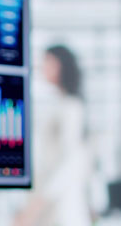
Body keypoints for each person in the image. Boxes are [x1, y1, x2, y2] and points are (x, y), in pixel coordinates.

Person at [16, 45, 94, 226]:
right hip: (52, 204)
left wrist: (36, 206)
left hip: (62, 208)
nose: (42, 67)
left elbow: (70, 161)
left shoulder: (71, 106)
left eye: (48, 62)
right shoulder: (59, 103)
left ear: (62, 66)